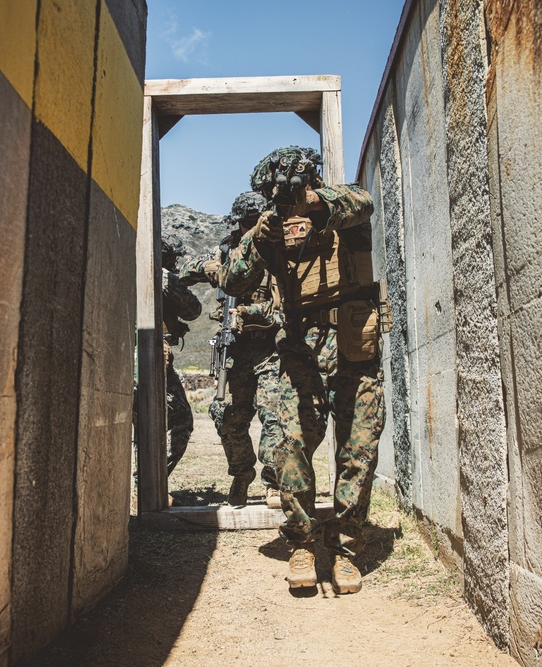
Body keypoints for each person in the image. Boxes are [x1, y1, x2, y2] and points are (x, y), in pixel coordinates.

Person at [220, 147, 386, 594]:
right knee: (290, 446)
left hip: (353, 346)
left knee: (358, 451)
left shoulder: (342, 200)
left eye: (295, 187)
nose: (290, 197)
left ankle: (347, 548)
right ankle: (302, 543)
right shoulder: (269, 228)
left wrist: (313, 204)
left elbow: (363, 203)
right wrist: (261, 235)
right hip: (298, 352)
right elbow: (233, 282)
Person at [179, 192, 284, 508]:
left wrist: (249, 314)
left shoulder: (276, 254)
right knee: (225, 415)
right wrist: (212, 266)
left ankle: (274, 482)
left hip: (270, 348)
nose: (248, 230)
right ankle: (241, 473)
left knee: (275, 413)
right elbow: (185, 269)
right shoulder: (227, 249)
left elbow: (284, 308)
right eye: (244, 224)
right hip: (234, 350)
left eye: (253, 224)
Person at [161, 237, 202, 477]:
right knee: (180, 420)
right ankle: (142, 484)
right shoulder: (163, 275)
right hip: (152, 355)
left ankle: (139, 485)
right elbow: (193, 309)